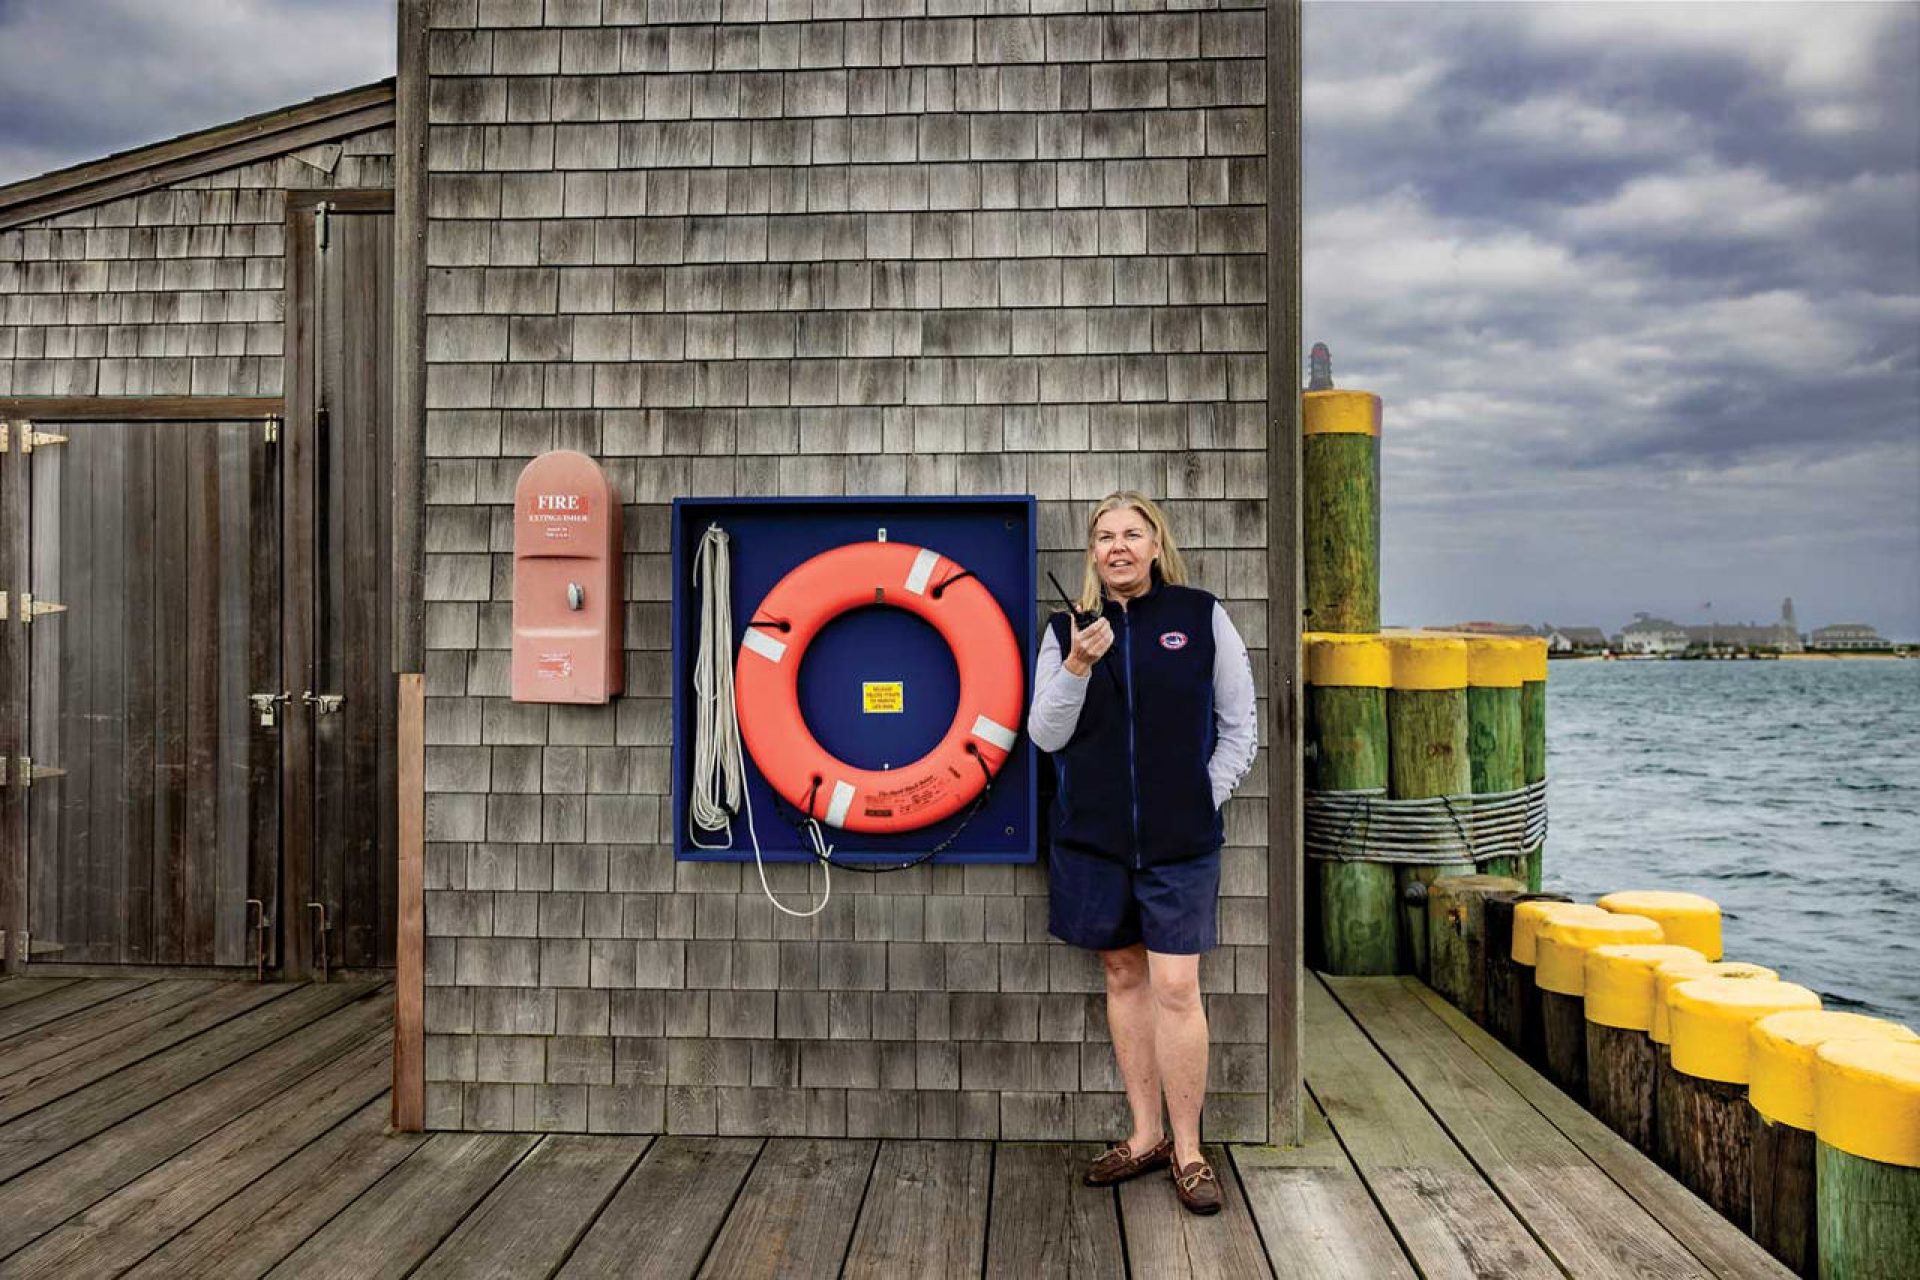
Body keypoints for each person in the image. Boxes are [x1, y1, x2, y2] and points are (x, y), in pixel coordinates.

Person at [1027, 491, 1258, 1215]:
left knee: (1176, 989)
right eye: (1104, 537)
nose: (1118, 547)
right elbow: (1045, 735)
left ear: (1157, 545)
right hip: (1093, 844)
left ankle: (1189, 1151)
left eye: (1132, 534)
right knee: (1123, 976)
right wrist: (1076, 669)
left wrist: (1198, 797)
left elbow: (1239, 727)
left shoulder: (1200, 616)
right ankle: (1146, 1133)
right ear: (1092, 553)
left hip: (1180, 845)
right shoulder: (1066, 632)